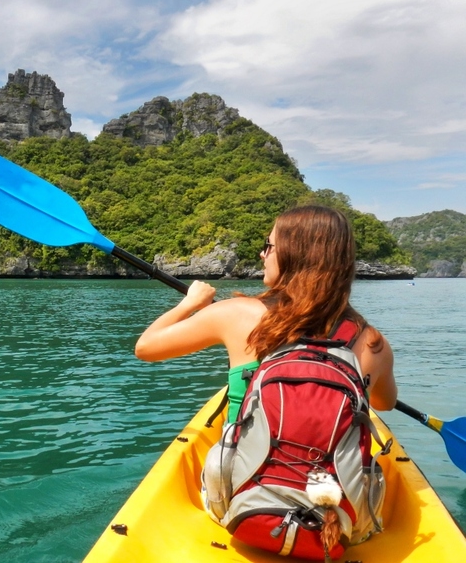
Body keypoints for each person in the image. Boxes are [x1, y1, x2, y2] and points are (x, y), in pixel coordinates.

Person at [134, 205, 397, 551]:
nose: (262, 253)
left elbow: (146, 347)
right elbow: (384, 404)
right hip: (339, 524)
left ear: (292, 255)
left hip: (238, 506)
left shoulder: (237, 314)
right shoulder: (372, 342)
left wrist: (193, 302)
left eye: (268, 246)